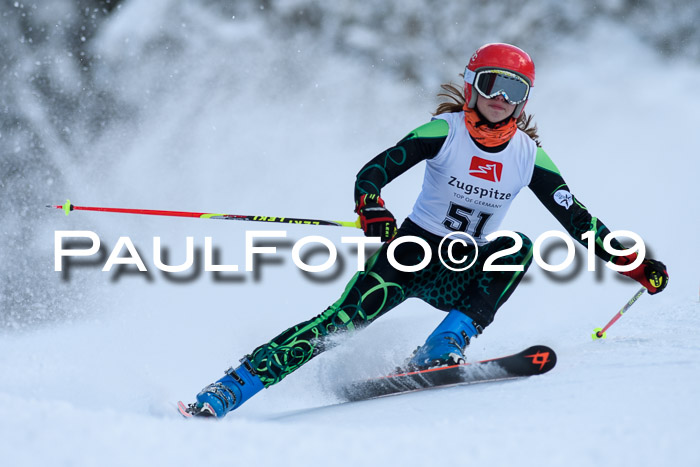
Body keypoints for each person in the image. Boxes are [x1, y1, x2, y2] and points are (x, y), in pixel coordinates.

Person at [188, 43, 669, 418]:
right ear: (471, 86)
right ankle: (226, 391)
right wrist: (371, 206)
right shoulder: (444, 131)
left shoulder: (528, 157)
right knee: (335, 327)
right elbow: (371, 174)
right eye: (493, 84)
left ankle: (441, 347)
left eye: (515, 91)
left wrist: (635, 264)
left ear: (525, 100)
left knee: (518, 247)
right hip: (408, 257)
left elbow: (579, 222)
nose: (501, 99)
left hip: (464, 266)